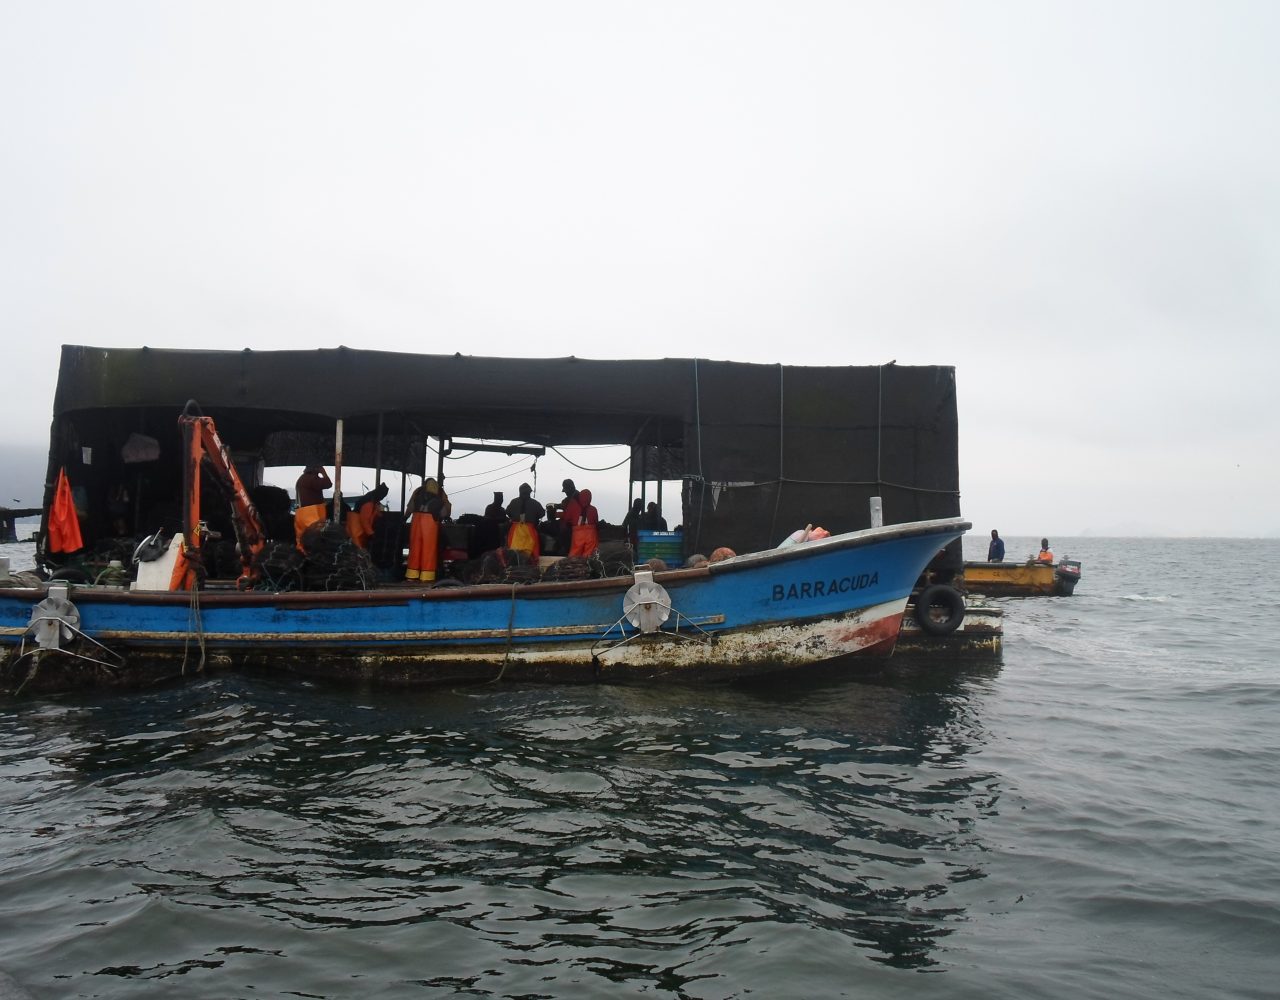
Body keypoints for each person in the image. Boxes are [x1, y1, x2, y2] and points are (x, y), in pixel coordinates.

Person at [405, 478, 447, 581]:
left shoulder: (418, 492)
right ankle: (427, 576)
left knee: (415, 548)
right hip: (430, 525)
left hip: (416, 522)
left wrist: (404, 518)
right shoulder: (440, 494)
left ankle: (412, 574)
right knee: (429, 550)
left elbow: (410, 507)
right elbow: (445, 513)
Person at [294, 465, 332, 549]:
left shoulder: (302, 478)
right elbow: (328, 484)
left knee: (303, 538)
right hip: (312, 513)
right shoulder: (311, 478)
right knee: (315, 537)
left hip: (303, 512)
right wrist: (324, 473)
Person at [505, 482, 544, 559]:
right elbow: (542, 513)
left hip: (515, 530)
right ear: (529, 492)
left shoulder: (513, 502)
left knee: (512, 551)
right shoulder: (535, 503)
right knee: (530, 552)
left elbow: (508, 512)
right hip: (529, 530)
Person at [346, 483, 388, 550]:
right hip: (356, 529)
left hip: (359, 529)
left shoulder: (373, 499)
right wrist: (371, 534)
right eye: (383, 496)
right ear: (379, 494)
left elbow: (376, 511)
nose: (382, 498)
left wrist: (381, 516)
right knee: (358, 549)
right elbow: (364, 521)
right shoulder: (368, 503)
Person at [562, 487, 599, 558]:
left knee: (574, 557)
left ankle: (574, 565)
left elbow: (566, 518)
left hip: (578, 535)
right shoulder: (593, 510)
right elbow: (596, 523)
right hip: (591, 535)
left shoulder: (572, 506)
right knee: (589, 557)